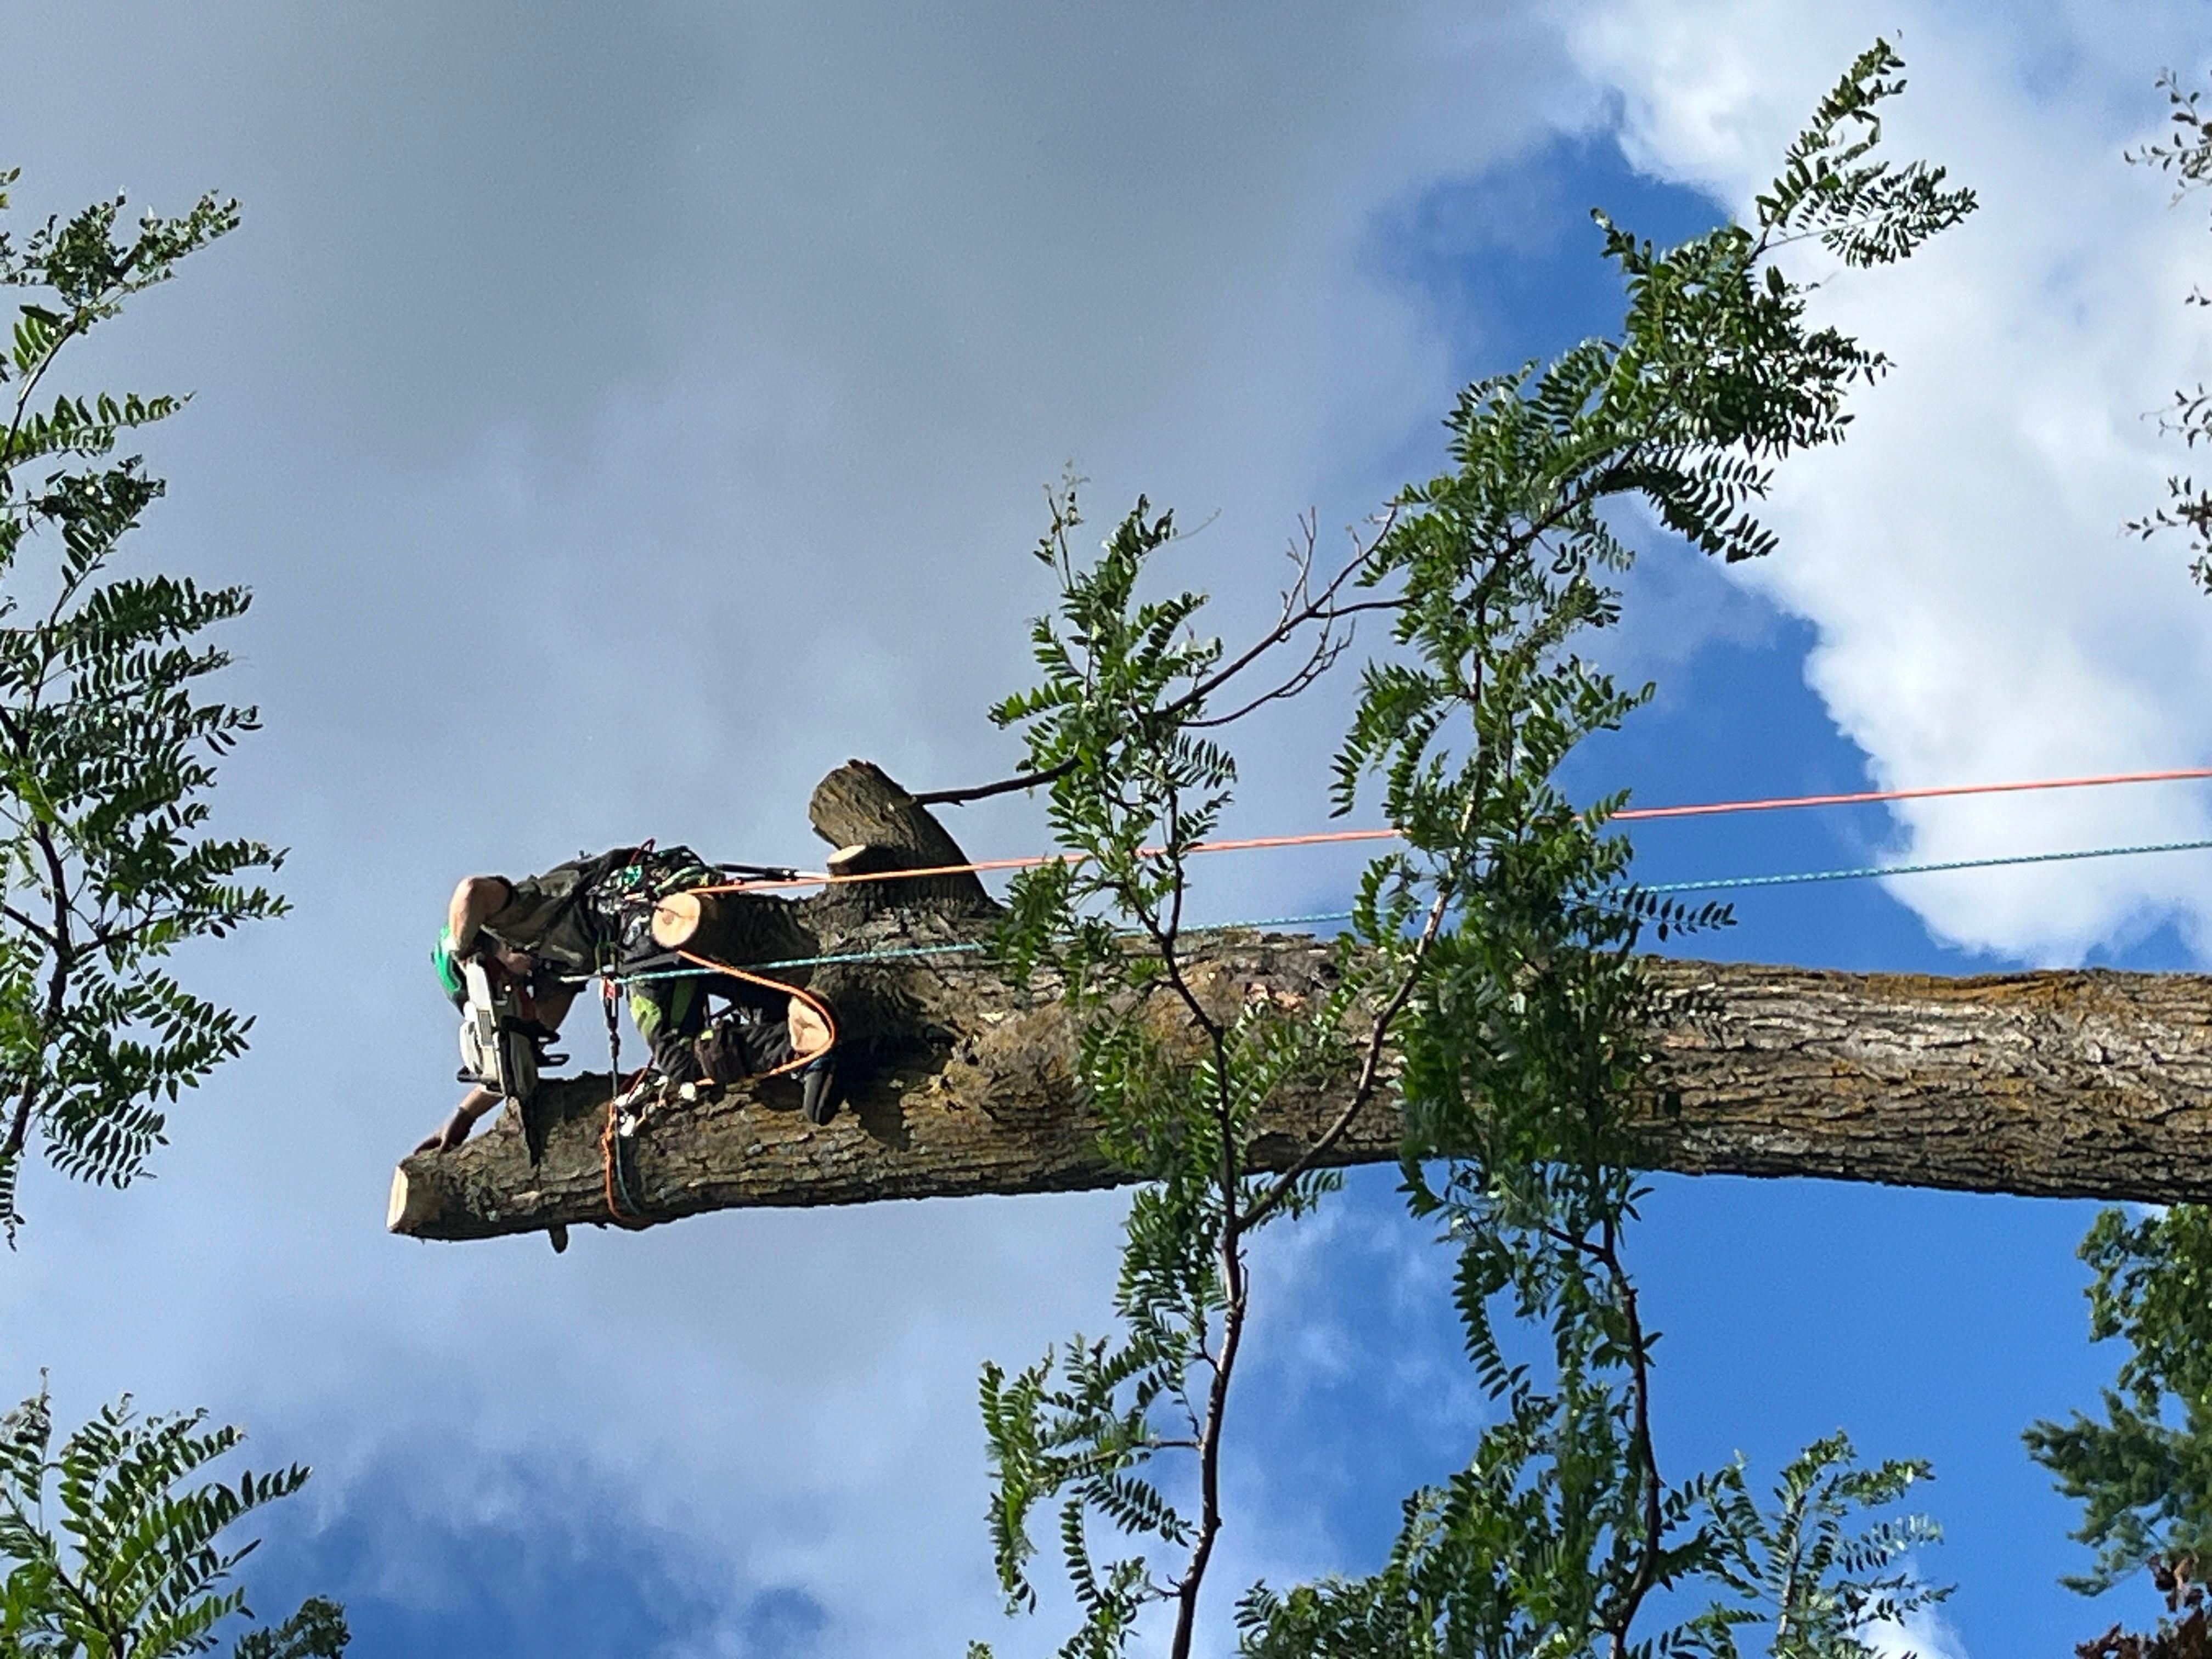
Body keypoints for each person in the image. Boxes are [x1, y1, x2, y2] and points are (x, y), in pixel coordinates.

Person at [416, 846, 834, 1153]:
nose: (514, 991)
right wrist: (465, 1115)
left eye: (503, 982)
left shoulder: (514, 919)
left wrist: (461, 950)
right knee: (759, 999)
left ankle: (807, 1045)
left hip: (643, 924)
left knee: (677, 1057)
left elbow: (470, 891)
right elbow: (519, 1054)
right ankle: (810, 1030)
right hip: (656, 934)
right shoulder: (552, 975)